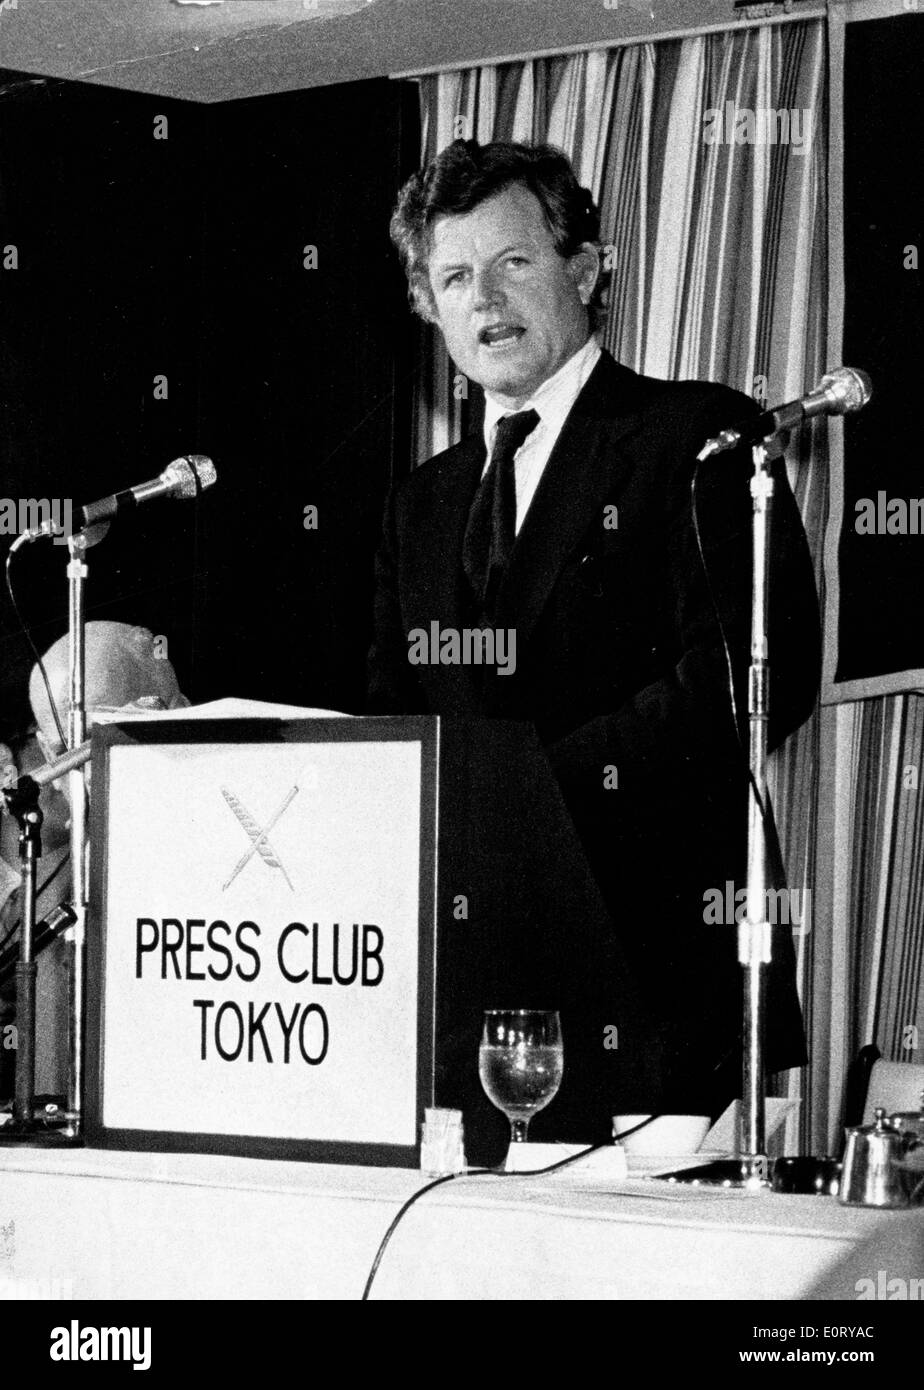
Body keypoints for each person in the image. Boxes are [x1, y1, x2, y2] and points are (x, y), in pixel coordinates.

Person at [368, 139, 821, 1149]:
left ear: (583, 270)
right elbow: (396, 723)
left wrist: (536, 794)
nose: (484, 296)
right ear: (429, 309)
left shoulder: (701, 435)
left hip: (660, 985)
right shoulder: (422, 505)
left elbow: (752, 678)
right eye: (453, 276)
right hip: (471, 1004)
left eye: (513, 261)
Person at [0, 622, 188, 1102]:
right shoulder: (39, 894)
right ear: (45, 753)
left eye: (108, 735)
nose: (87, 770)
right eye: (67, 750)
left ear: (179, 714)